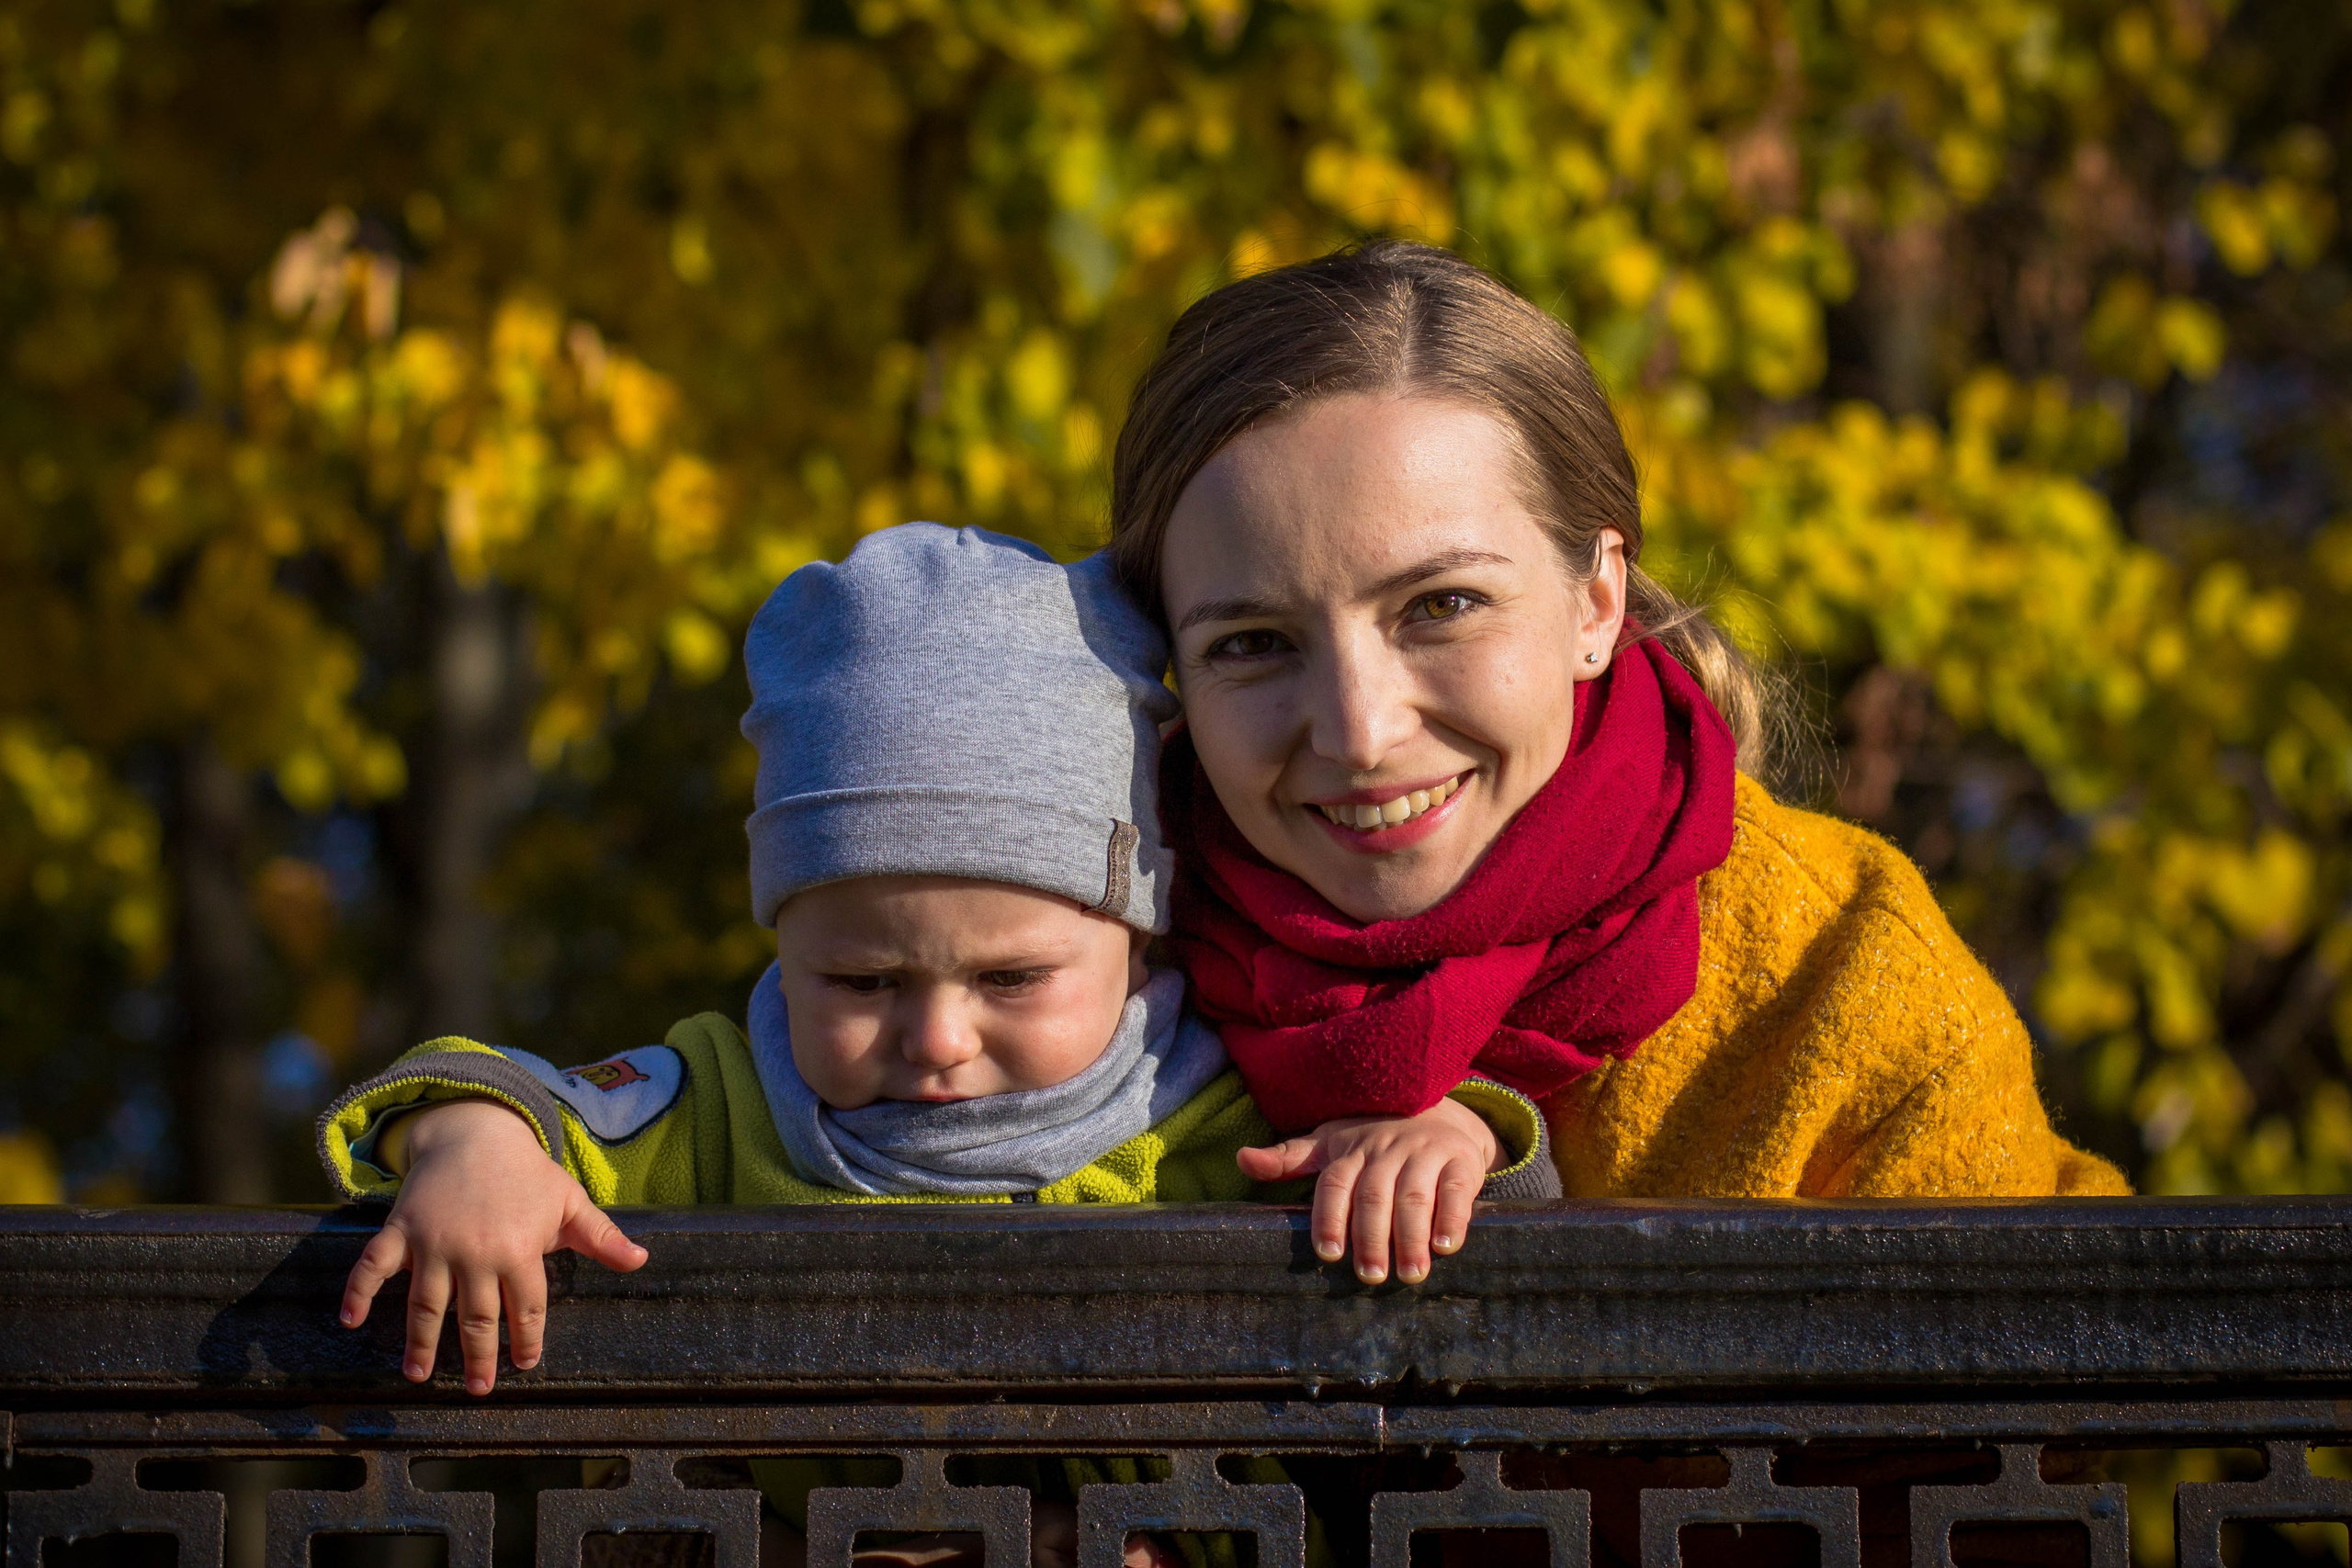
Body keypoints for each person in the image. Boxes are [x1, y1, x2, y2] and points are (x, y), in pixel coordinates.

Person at [317, 524, 1550, 1567]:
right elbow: (526, 1094)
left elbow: (1495, 1184)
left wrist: (1448, 1131)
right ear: (784, 944)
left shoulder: (1222, 1099)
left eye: (1012, 975)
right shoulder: (732, 1104)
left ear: (1135, 929)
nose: (936, 1034)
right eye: (859, 978)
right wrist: (472, 1145)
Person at [1106, 240, 2129, 1207]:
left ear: (1597, 601)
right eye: (1251, 643)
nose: (1359, 732)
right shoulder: (1070, 963)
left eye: (1441, 606)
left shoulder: (1837, 981)